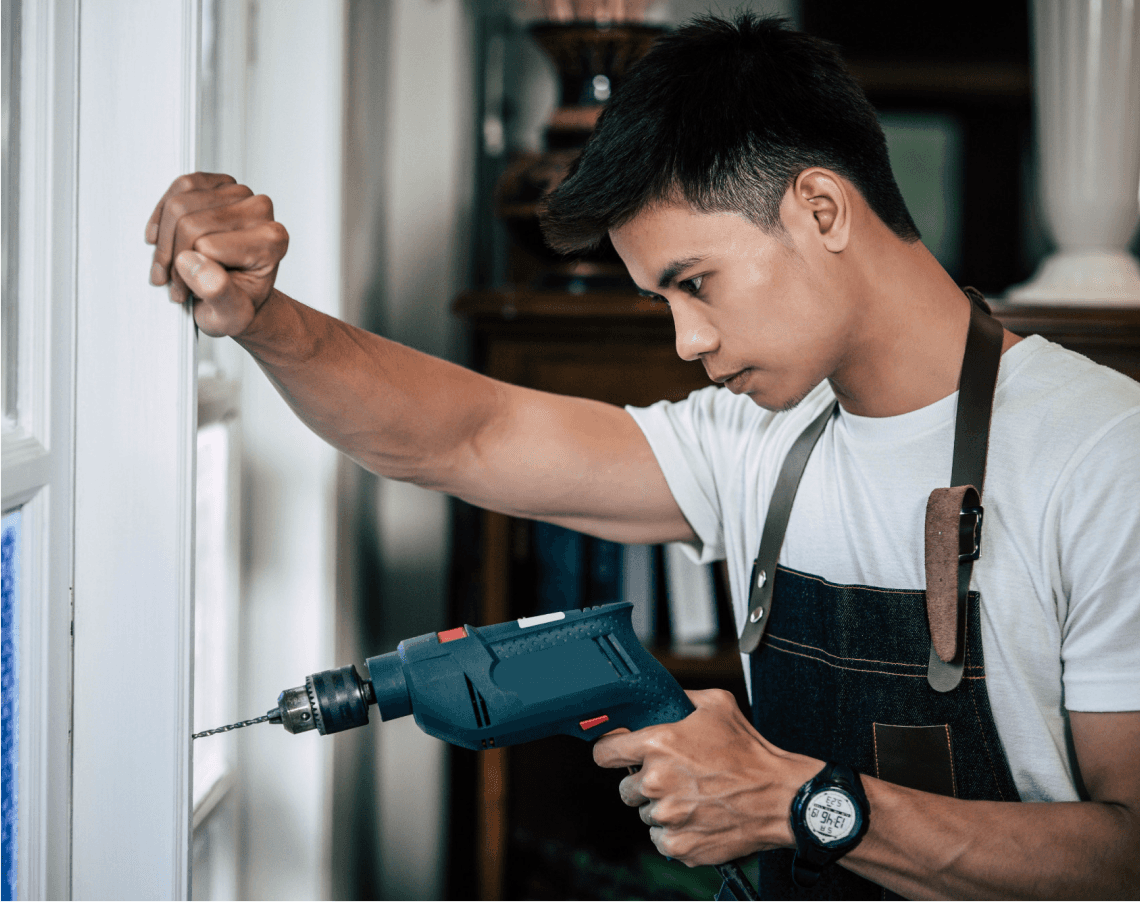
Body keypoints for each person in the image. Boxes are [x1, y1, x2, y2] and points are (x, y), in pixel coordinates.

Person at [146, 14, 1140, 900]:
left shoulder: (1099, 453)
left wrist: (805, 801)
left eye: (695, 282)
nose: (686, 342)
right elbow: (465, 435)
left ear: (822, 210)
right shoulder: (757, 444)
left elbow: (1129, 855)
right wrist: (259, 318)